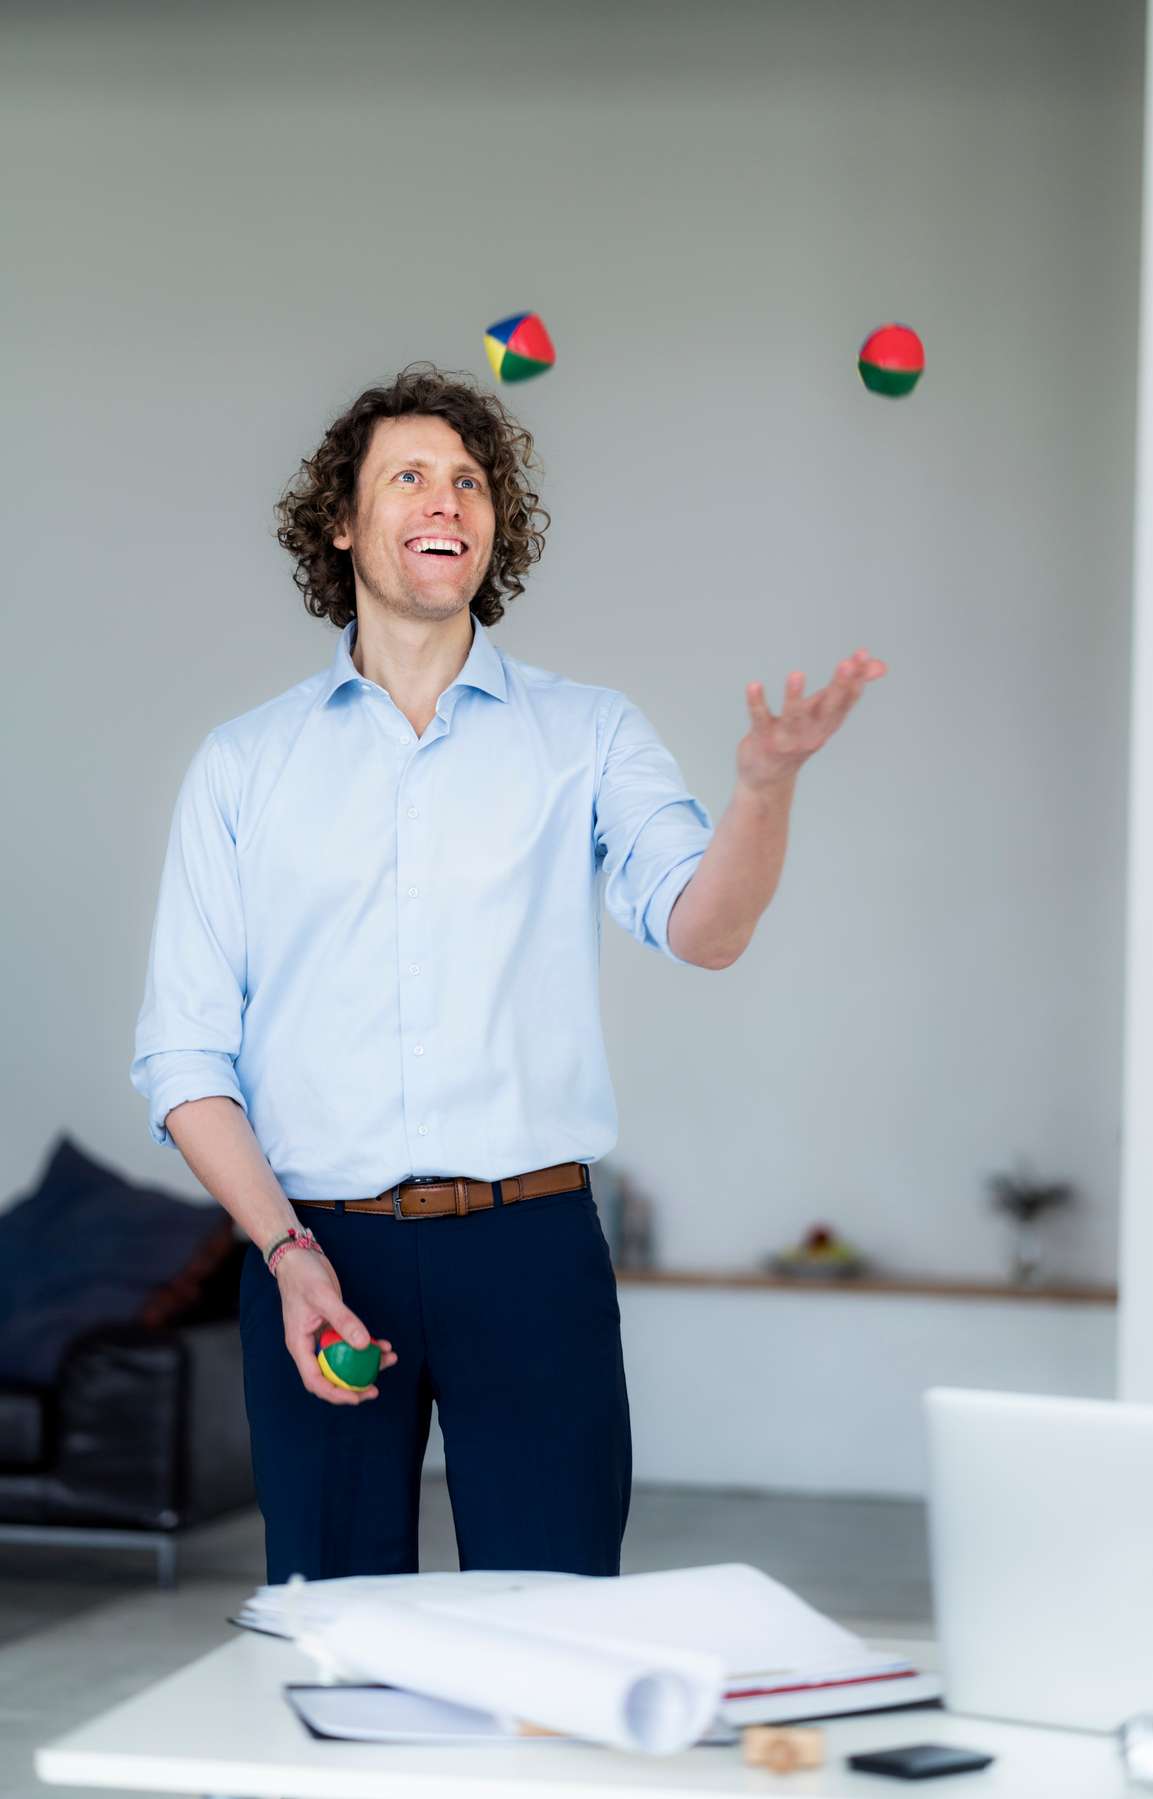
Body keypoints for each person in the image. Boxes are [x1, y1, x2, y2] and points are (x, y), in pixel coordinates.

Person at [130, 362, 885, 1583]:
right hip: (320, 1255)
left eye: (471, 479)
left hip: (531, 1254)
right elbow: (182, 1059)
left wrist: (762, 789)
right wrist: (285, 1252)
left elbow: (708, 926)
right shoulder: (242, 766)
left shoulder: (586, 733)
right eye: (411, 475)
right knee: (335, 1642)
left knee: (557, 1643)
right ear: (343, 519)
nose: (449, 499)